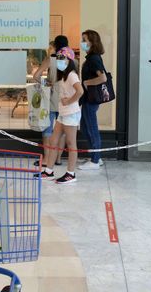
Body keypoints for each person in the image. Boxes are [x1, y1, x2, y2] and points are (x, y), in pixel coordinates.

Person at [38, 47, 84, 184]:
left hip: (71, 113)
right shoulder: (63, 75)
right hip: (63, 114)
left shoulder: (72, 75)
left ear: (69, 60)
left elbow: (80, 91)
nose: (59, 62)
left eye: (62, 59)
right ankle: (49, 171)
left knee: (71, 144)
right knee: (53, 141)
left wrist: (68, 101)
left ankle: (71, 174)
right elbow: (54, 86)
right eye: (58, 59)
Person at [32, 38, 66, 167]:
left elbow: (36, 76)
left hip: (51, 99)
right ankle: (58, 158)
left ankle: (46, 159)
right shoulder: (73, 61)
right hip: (65, 101)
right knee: (62, 131)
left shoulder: (50, 59)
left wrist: (47, 83)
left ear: (55, 46)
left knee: (47, 129)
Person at [78, 30, 107, 170]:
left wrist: (86, 83)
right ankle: (96, 156)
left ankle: (95, 160)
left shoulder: (94, 58)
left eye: (84, 40)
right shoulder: (91, 57)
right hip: (87, 98)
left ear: (92, 42)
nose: (82, 42)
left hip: (91, 98)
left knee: (91, 127)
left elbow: (103, 78)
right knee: (84, 127)